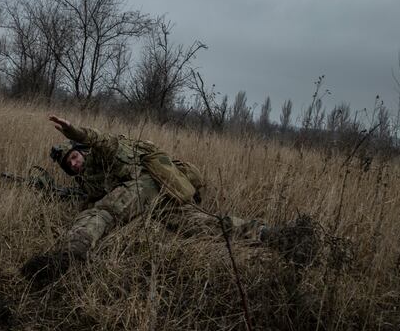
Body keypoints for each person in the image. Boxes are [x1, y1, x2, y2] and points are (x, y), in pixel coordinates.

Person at [19, 115, 271, 283]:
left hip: (147, 184)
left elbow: (102, 139)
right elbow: (97, 192)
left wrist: (77, 132)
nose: (74, 164)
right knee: (198, 224)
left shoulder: (99, 153)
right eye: (68, 165)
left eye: (74, 157)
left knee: (101, 213)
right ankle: (266, 233)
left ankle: (68, 257)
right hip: (158, 194)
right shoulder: (87, 178)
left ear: (80, 151)